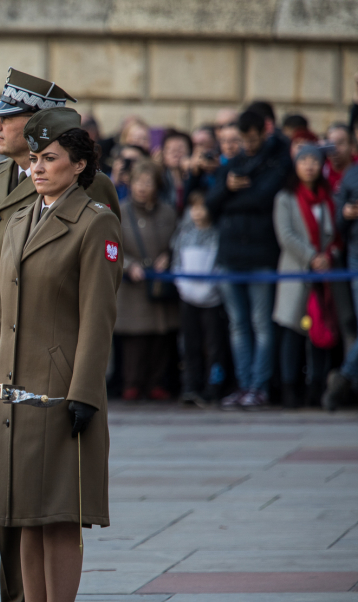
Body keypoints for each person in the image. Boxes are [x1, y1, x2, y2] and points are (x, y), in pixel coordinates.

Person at [0, 69, 120, 602]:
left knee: (55, 516)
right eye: (37, 158)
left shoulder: (92, 210)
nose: (36, 166)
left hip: (56, 386)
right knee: (16, 515)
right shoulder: (14, 196)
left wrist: (84, 391)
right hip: (7, 382)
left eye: (48, 156)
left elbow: (96, 314)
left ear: (73, 160)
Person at [206, 108, 291, 409]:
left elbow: (262, 198)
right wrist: (227, 189)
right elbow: (210, 204)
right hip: (230, 255)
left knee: (261, 324)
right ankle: (244, 385)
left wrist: (231, 197)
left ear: (263, 133)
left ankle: (260, 386)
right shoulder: (233, 165)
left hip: (261, 254)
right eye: (245, 139)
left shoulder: (276, 160)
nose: (249, 145)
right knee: (238, 325)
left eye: (253, 139)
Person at [272, 144, 341, 408]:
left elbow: (335, 234)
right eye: (304, 160)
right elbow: (286, 235)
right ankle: (290, 388)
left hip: (324, 273)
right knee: (292, 330)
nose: (309, 165)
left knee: (321, 330)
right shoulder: (286, 198)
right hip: (296, 271)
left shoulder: (328, 198)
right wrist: (312, 256)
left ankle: (317, 387)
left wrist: (328, 256)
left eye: (314, 160)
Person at [115, 160, 179, 401]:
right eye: (138, 182)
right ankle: (132, 383)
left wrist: (169, 257)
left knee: (161, 336)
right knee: (136, 338)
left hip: (161, 284)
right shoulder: (120, 210)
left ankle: (156, 382)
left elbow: (177, 240)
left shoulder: (168, 212)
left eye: (147, 182)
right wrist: (129, 265)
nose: (142, 187)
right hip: (134, 285)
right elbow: (111, 246)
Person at [323, 115, 358, 409]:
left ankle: (345, 377)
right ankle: (351, 382)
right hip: (357, 255)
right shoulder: (352, 175)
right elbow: (336, 222)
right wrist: (347, 214)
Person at [171, 191, 226, 405]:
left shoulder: (216, 233)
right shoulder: (183, 234)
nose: (197, 212)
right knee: (189, 344)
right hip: (188, 298)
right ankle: (190, 386)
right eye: (193, 208)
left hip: (212, 299)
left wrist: (212, 289)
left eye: (201, 207)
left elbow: (219, 264)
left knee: (214, 346)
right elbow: (176, 262)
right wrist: (183, 287)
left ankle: (213, 386)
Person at [160, 129, 192, 212]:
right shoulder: (159, 179)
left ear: (190, 152)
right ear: (163, 154)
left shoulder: (197, 177)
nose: (175, 154)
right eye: (171, 150)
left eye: (180, 149)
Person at [324, 124, 358, 192]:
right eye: (330, 144)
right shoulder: (320, 170)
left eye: (340, 143)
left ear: (351, 145)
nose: (335, 149)